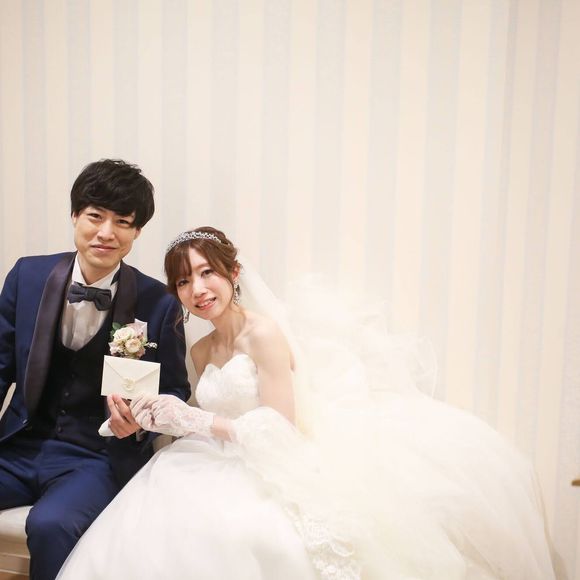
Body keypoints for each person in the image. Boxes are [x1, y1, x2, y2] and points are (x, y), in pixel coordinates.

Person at [57, 226, 557, 580]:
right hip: (212, 459)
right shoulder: (201, 350)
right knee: (153, 529)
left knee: (245, 535)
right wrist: (152, 415)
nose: (197, 289)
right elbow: (201, 417)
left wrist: (194, 419)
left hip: (271, 459)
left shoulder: (264, 334)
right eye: (184, 281)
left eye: (207, 273)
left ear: (234, 273)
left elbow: (280, 430)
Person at [0, 159, 190, 580]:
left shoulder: (159, 303)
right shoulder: (27, 275)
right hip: (18, 446)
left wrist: (140, 423)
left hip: (95, 457)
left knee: (51, 525)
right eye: (95, 216)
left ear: (137, 232)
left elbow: (176, 389)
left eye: (122, 222)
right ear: (74, 216)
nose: (106, 232)